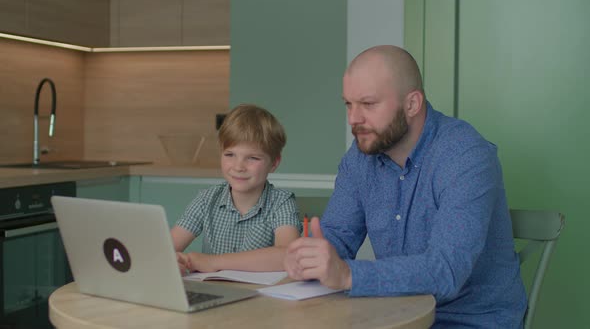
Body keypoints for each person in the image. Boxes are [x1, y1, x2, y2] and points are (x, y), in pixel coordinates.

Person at [284, 45, 527, 327]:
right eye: (348, 104)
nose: (354, 119)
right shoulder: (359, 157)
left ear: (412, 104)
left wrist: (348, 275)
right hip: (393, 313)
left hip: (471, 320)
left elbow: (446, 270)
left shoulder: (465, 154)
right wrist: (309, 259)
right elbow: (338, 237)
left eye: (368, 104)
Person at [172, 104, 302, 274]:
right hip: (215, 293)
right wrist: (176, 262)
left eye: (253, 158)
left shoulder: (281, 202)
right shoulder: (207, 199)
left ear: (274, 163)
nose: (238, 166)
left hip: (261, 297)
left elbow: (287, 255)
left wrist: (214, 262)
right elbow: (165, 249)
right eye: (229, 155)